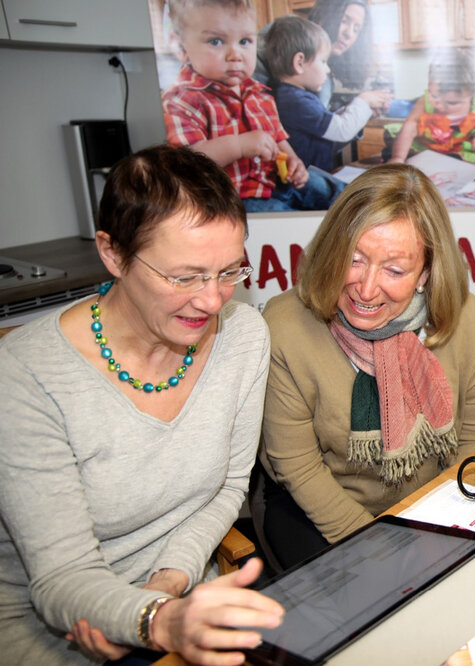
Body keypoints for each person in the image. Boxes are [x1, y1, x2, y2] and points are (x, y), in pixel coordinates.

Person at [0, 145, 284, 664]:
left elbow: (227, 486)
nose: (212, 300)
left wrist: (167, 585)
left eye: (229, 271)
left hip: (182, 601)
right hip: (57, 634)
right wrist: (155, 618)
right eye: (185, 276)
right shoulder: (24, 376)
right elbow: (62, 577)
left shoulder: (243, 336)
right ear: (112, 254)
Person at [256, 163, 475, 570]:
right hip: (315, 510)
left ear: (425, 273)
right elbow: (298, 468)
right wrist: (383, 553)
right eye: (354, 259)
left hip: (427, 507)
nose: (366, 290)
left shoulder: (468, 320)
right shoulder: (285, 327)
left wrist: (448, 531)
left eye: (394, 270)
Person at [161, 0, 333, 212]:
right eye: (216, 41)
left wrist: (293, 160)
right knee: (290, 221)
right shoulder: (181, 100)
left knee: (330, 190)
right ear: (181, 47)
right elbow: (186, 164)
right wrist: (239, 146)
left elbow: (278, 138)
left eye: (244, 41)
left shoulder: (260, 92)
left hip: (275, 182)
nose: (235, 55)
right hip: (232, 200)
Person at [255, 0, 392, 162]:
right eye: (344, 21)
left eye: (357, 29)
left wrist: (361, 114)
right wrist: (363, 102)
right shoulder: (294, 96)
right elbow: (338, 130)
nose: (349, 34)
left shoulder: (312, 86)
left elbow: (323, 133)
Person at [263, 14, 360, 181]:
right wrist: (364, 102)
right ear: (299, 63)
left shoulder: (292, 95)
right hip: (306, 179)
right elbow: (340, 130)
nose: (328, 70)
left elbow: (326, 126)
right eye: (323, 61)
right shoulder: (296, 101)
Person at [386, 47, 475, 168]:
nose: (439, 105)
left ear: (472, 93)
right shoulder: (425, 100)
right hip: (430, 146)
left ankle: (453, 161)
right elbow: (410, 125)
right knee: (396, 139)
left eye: (452, 103)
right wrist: (398, 157)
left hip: (463, 148)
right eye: (434, 96)